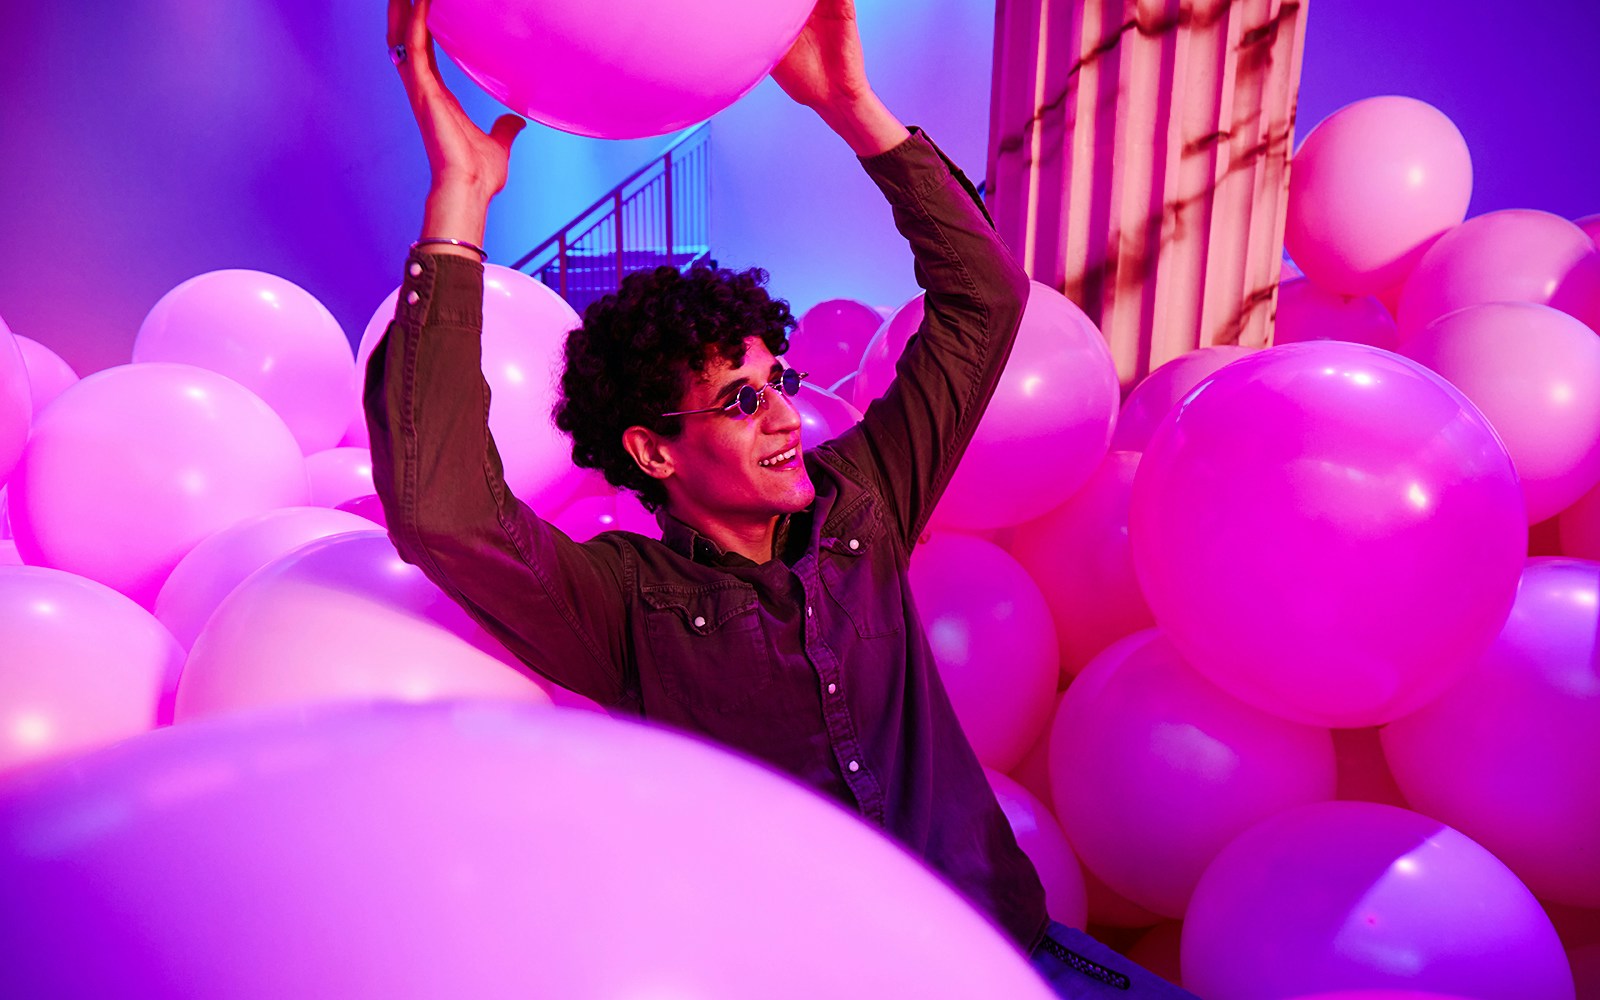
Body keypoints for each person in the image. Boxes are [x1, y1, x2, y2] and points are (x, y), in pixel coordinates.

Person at [372, 1, 1194, 996]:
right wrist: (459, 199)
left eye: (780, 382)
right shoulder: (622, 605)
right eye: (741, 400)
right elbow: (443, 509)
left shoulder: (864, 502)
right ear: (653, 451)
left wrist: (850, 106)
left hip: (1007, 953)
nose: (786, 417)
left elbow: (985, 300)